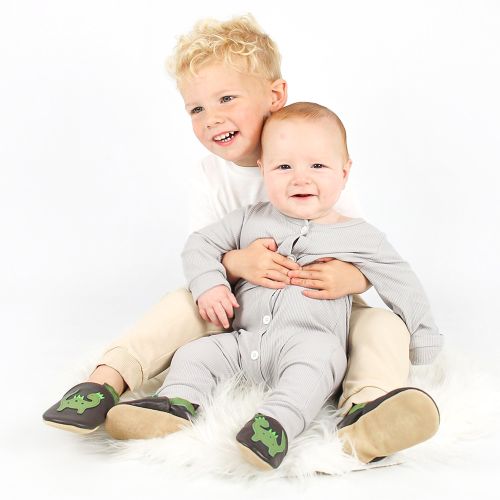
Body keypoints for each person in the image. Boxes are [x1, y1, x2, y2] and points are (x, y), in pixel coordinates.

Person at [43, 14, 440, 465]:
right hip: (242, 306)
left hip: (322, 310)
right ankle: (105, 382)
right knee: (183, 301)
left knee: (382, 325)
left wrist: (349, 278)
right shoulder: (210, 175)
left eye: (226, 98)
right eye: (197, 109)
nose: (212, 118)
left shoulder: (319, 150)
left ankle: (369, 407)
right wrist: (238, 266)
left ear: (274, 95)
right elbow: (204, 249)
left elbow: (371, 259)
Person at [104, 102, 442, 470]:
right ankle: (174, 404)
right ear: (263, 171)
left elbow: (401, 281)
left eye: (317, 166)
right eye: (284, 167)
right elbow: (200, 244)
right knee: (194, 355)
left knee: (315, 368)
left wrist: (423, 341)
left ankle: (275, 425)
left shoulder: (360, 235)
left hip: (310, 342)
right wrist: (211, 283)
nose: (300, 178)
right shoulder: (249, 219)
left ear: (344, 173)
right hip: (244, 340)